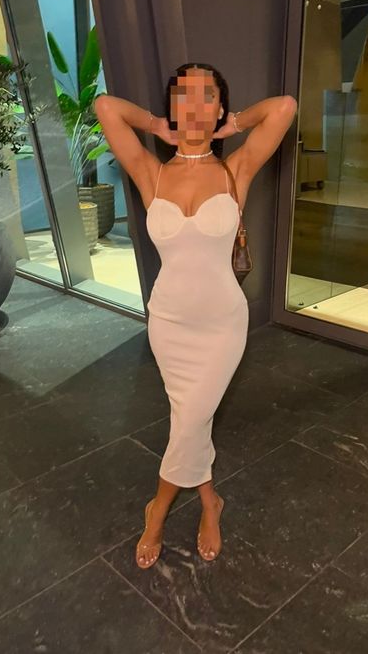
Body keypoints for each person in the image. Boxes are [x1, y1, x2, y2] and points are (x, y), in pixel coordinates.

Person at [94, 63, 297, 568]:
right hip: (169, 324)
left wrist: (236, 124)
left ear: (219, 108)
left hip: (222, 325)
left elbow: (285, 107)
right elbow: (105, 107)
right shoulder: (152, 172)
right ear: (171, 108)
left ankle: (157, 510)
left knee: (189, 420)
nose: (194, 106)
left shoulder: (235, 170)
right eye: (182, 96)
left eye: (207, 96)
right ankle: (210, 501)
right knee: (191, 419)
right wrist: (156, 126)